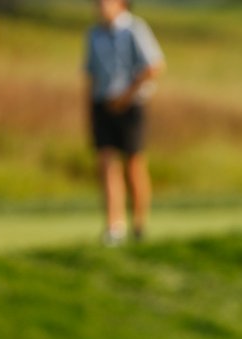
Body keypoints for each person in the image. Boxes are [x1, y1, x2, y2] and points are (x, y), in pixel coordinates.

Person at [83, 0, 164, 246]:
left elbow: (154, 66)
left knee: (133, 164)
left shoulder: (134, 29)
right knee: (106, 163)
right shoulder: (94, 33)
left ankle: (138, 225)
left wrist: (125, 97)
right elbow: (90, 75)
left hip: (131, 105)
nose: (100, 6)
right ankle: (113, 227)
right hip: (102, 104)